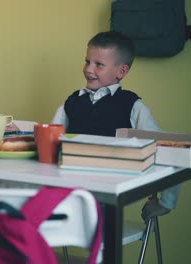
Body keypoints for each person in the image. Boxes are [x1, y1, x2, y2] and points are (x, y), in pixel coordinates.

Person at [51, 31, 179, 223]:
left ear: (121, 71)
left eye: (99, 64)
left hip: (111, 194)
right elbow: (50, 139)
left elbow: (166, 147)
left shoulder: (131, 105)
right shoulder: (72, 102)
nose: (88, 69)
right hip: (71, 189)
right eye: (87, 61)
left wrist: (167, 201)